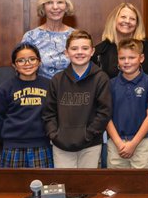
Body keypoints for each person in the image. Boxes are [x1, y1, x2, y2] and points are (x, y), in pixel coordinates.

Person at [43, 30, 111, 169]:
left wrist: (88, 135)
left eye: (85, 48)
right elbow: (48, 113)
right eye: (74, 48)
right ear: (66, 52)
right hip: (61, 144)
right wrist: (54, 135)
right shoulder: (57, 80)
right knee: (64, 181)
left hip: (90, 144)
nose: (80, 52)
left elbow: (104, 112)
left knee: (87, 182)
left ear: (92, 51)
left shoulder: (101, 78)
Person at [0, 42, 53, 168]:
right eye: (21, 60)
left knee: (42, 181)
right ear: (14, 65)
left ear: (39, 62)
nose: (27, 63)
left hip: (42, 145)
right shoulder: (4, 89)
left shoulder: (50, 86)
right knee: (12, 181)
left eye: (32, 59)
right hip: (12, 147)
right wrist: (7, 140)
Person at [105, 38, 148, 169]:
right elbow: (106, 116)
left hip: (143, 143)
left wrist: (133, 143)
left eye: (132, 57)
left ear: (141, 58)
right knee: (116, 181)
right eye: (122, 58)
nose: (127, 62)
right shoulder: (111, 84)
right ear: (117, 59)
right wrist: (119, 143)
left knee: (142, 181)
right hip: (116, 143)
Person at [93, 2, 148, 78]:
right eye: (123, 17)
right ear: (114, 20)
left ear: (137, 24)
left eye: (132, 19)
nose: (127, 21)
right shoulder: (100, 51)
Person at [22, 0, 75, 79]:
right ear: (43, 7)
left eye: (60, 2)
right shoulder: (31, 37)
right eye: (50, 2)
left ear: (66, 7)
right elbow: (23, 67)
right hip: (39, 87)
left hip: (71, 86)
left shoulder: (75, 36)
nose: (55, 7)